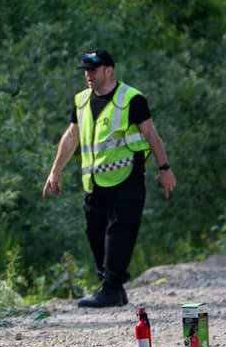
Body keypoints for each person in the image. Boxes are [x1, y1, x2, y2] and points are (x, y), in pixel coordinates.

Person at [43, 49, 176, 307]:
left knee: (119, 231)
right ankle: (111, 287)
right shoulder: (81, 101)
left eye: (93, 69)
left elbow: (151, 134)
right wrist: (55, 171)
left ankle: (111, 287)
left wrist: (165, 168)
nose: (88, 75)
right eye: (85, 70)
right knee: (95, 232)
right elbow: (71, 137)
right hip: (94, 181)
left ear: (109, 70)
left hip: (126, 177)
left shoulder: (131, 99)